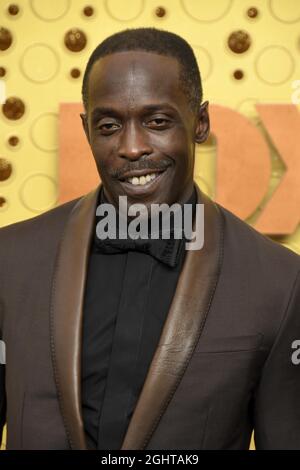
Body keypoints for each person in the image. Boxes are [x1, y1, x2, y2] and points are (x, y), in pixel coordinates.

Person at [0, 27, 299, 450]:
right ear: (86, 130)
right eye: (109, 126)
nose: (133, 148)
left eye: (157, 122)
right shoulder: (8, 262)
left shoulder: (281, 282)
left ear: (200, 122)